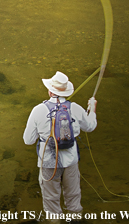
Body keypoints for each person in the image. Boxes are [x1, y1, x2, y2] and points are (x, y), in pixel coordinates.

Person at [23, 71, 97, 220]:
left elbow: (28, 140)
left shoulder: (38, 110)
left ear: (50, 91)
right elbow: (90, 127)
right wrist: (92, 108)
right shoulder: (74, 108)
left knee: (51, 202)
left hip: (49, 162)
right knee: (73, 197)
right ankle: (75, 220)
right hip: (70, 160)